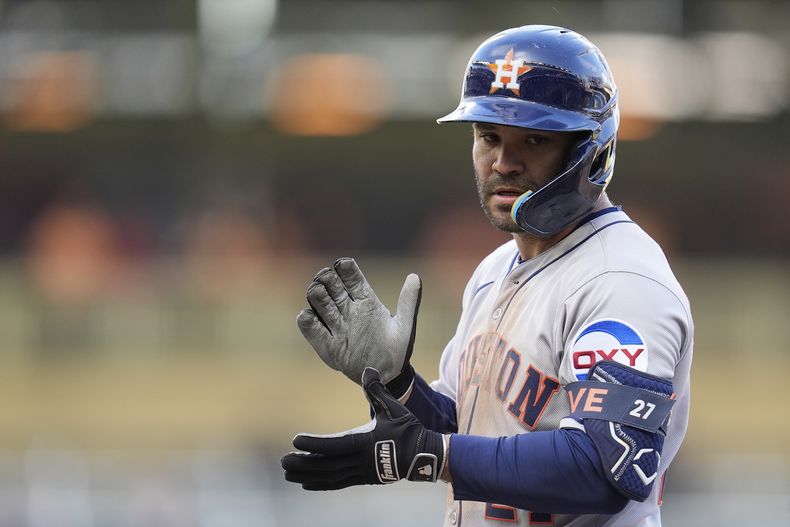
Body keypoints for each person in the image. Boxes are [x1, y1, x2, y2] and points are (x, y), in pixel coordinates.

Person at [281, 25, 693, 527]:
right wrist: (399, 385)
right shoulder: (494, 270)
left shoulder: (620, 280)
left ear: (590, 151)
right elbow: (471, 433)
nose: (503, 162)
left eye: (534, 139)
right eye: (489, 137)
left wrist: (432, 455)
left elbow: (607, 467)